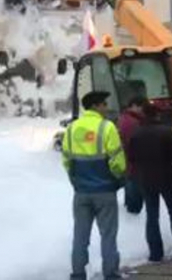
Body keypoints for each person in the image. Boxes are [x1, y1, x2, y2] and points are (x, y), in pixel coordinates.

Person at [62, 91, 127, 280]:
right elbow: (118, 162)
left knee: (80, 236)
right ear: (97, 106)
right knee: (108, 235)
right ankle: (111, 273)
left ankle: (78, 273)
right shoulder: (107, 128)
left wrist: (76, 181)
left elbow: (66, 161)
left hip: (81, 192)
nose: (106, 108)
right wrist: (118, 179)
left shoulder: (72, 128)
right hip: (105, 191)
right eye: (104, 104)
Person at [129, 103, 172, 262]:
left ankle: (155, 253)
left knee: (152, 215)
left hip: (146, 178)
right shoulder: (165, 131)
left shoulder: (136, 133)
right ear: (157, 115)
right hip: (167, 177)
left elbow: (131, 157)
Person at [117, 96, 148, 214]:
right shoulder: (132, 122)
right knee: (133, 184)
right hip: (133, 161)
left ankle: (130, 205)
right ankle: (134, 209)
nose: (142, 109)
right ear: (133, 105)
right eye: (140, 107)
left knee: (130, 181)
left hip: (127, 160)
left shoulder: (125, 118)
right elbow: (134, 143)